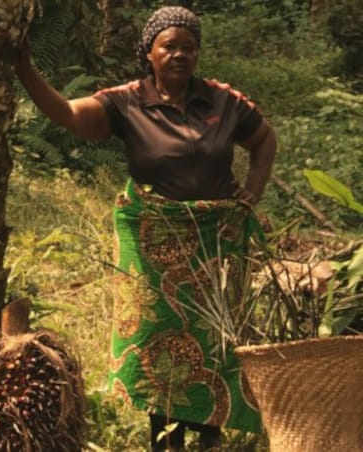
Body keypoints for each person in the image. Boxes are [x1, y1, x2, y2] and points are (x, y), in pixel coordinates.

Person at [16, 6, 276, 451]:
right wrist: (23, 66)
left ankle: (210, 432)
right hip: (154, 240)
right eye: (169, 46)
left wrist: (252, 190)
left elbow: (264, 138)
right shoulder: (126, 101)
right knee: (157, 337)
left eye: (189, 48)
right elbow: (67, 114)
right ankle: (163, 435)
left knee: (213, 334)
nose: (180, 54)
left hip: (215, 240)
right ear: (150, 53)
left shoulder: (221, 100)